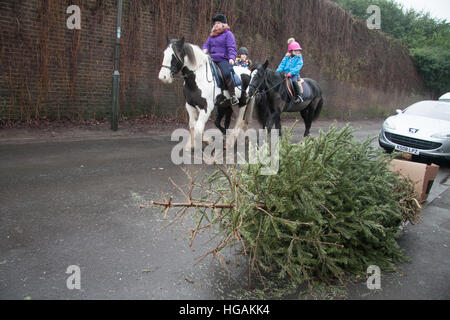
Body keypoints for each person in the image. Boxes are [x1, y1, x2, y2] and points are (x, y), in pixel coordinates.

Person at [202, 14, 239, 105]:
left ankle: (232, 95)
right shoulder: (212, 35)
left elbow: (231, 47)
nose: (216, 24)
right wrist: (204, 49)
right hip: (211, 59)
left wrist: (231, 58)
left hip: (223, 59)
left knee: (226, 73)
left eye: (218, 23)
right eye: (215, 23)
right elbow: (206, 45)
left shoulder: (228, 34)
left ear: (224, 24)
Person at [276, 38, 304, 103]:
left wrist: (291, 73)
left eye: (298, 50)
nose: (298, 52)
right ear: (291, 51)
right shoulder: (286, 57)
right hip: (284, 73)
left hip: (293, 75)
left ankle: (299, 96)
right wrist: (277, 72)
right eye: (295, 50)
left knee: (294, 82)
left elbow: (298, 67)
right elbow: (282, 65)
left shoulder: (299, 58)